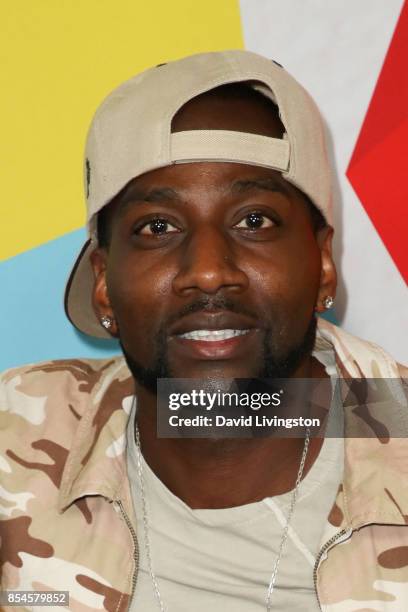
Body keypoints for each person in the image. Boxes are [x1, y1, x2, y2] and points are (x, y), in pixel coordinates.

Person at [1, 50, 407, 612]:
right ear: (103, 284)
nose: (209, 270)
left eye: (254, 220)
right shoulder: (14, 435)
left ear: (323, 266)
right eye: (158, 227)